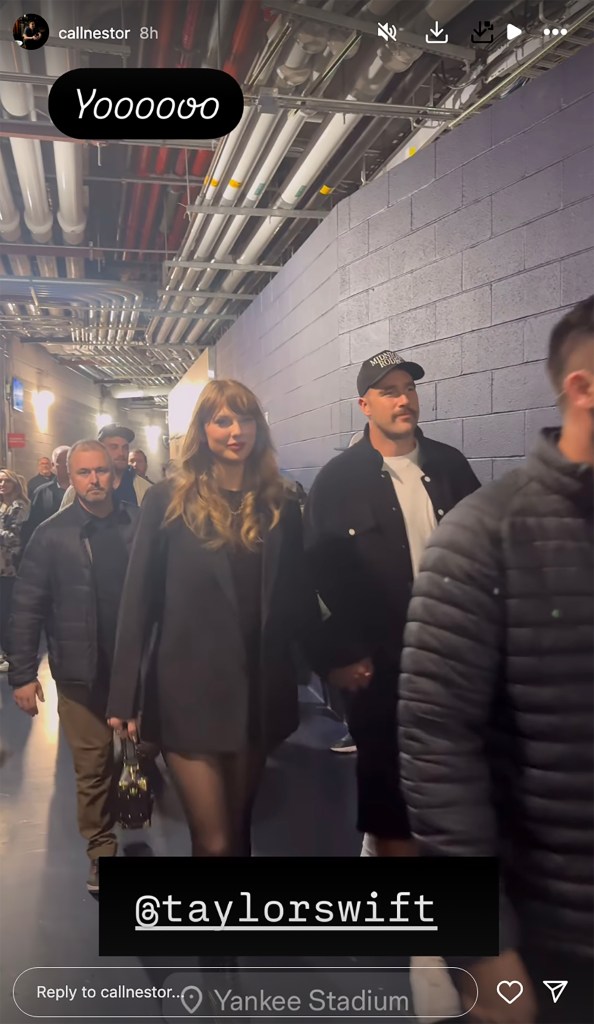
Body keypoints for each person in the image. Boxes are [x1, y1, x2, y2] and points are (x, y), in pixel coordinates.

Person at [398, 297, 594, 1024]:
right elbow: (438, 748)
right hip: (560, 942)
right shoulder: (486, 537)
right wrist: (482, 948)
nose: (404, 401)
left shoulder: (450, 469)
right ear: (582, 388)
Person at [106, 379, 324, 857]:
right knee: (215, 840)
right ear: (202, 430)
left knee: (240, 830)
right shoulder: (168, 500)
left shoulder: (280, 503)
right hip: (189, 694)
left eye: (245, 419)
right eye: (223, 420)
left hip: (256, 694)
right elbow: (137, 600)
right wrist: (124, 697)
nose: (235, 431)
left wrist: (337, 663)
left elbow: (298, 599)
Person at [303, 349, 481, 858]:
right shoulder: (338, 481)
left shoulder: (451, 466)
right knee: (387, 787)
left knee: (456, 779)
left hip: (453, 657)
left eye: (410, 389)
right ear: (365, 405)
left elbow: (484, 554)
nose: (404, 400)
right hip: (378, 663)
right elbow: (312, 582)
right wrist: (338, 656)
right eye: (389, 391)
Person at [7, 441, 141, 893]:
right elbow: (26, 607)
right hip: (80, 675)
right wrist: (23, 674)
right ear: (71, 476)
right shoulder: (51, 534)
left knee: (144, 751)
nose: (94, 480)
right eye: (84, 472)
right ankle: (102, 851)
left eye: (101, 471)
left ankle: (136, 798)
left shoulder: (139, 528)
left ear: (115, 475)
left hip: (137, 671)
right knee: (92, 767)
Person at [61, 425, 151, 509]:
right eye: (114, 447)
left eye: (125, 448)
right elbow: (63, 521)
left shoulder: (144, 489)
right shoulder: (76, 490)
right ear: (101, 450)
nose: (121, 453)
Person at [0, 469, 30, 671]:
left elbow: (12, 536)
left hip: (9, 566)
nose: (2, 485)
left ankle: (10, 653)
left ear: (14, 484)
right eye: (0, 482)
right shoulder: (2, 505)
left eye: (6, 481)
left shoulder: (19, 506)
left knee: (7, 611)